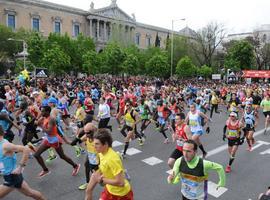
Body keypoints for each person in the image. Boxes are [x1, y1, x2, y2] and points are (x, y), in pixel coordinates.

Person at [85, 129, 133, 200]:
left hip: (121, 195)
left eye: (97, 144)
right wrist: (97, 173)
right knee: (88, 190)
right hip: (109, 190)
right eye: (94, 144)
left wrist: (101, 180)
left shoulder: (112, 159)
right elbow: (104, 167)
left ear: (106, 144)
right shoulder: (101, 153)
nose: (94, 147)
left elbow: (121, 182)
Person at [0, 126, 46, 200]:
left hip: (12, 178)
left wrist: (20, 167)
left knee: (31, 193)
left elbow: (26, 149)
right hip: (11, 176)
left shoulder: (5, 145)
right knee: (30, 193)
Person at [34, 106, 80, 178]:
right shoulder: (44, 117)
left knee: (62, 156)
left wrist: (40, 125)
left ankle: (75, 166)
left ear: (47, 112)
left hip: (54, 140)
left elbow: (49, 131)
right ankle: (45, 170)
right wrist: (37, 120)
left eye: (43, 111)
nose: (41, 113)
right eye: (41, 111)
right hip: (48, 139)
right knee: (36, 155)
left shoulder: (51, 119)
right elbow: (36, 122)